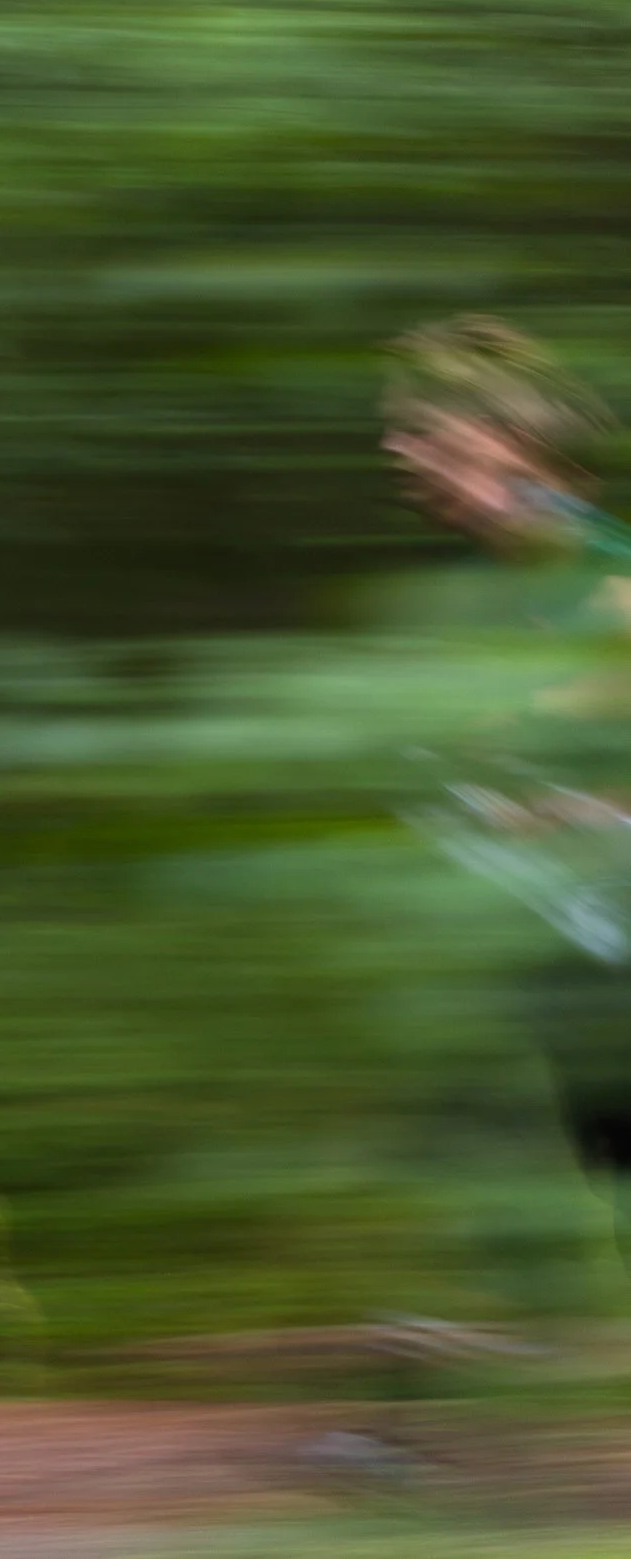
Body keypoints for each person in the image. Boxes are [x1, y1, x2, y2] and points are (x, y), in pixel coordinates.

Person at [384, 315, 631, 1273]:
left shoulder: (605, 576)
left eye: (429, 431)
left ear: (514, 439)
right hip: (576, 962)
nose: (398, 450)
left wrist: (554, 798)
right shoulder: (487, 587)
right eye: (400, 431)